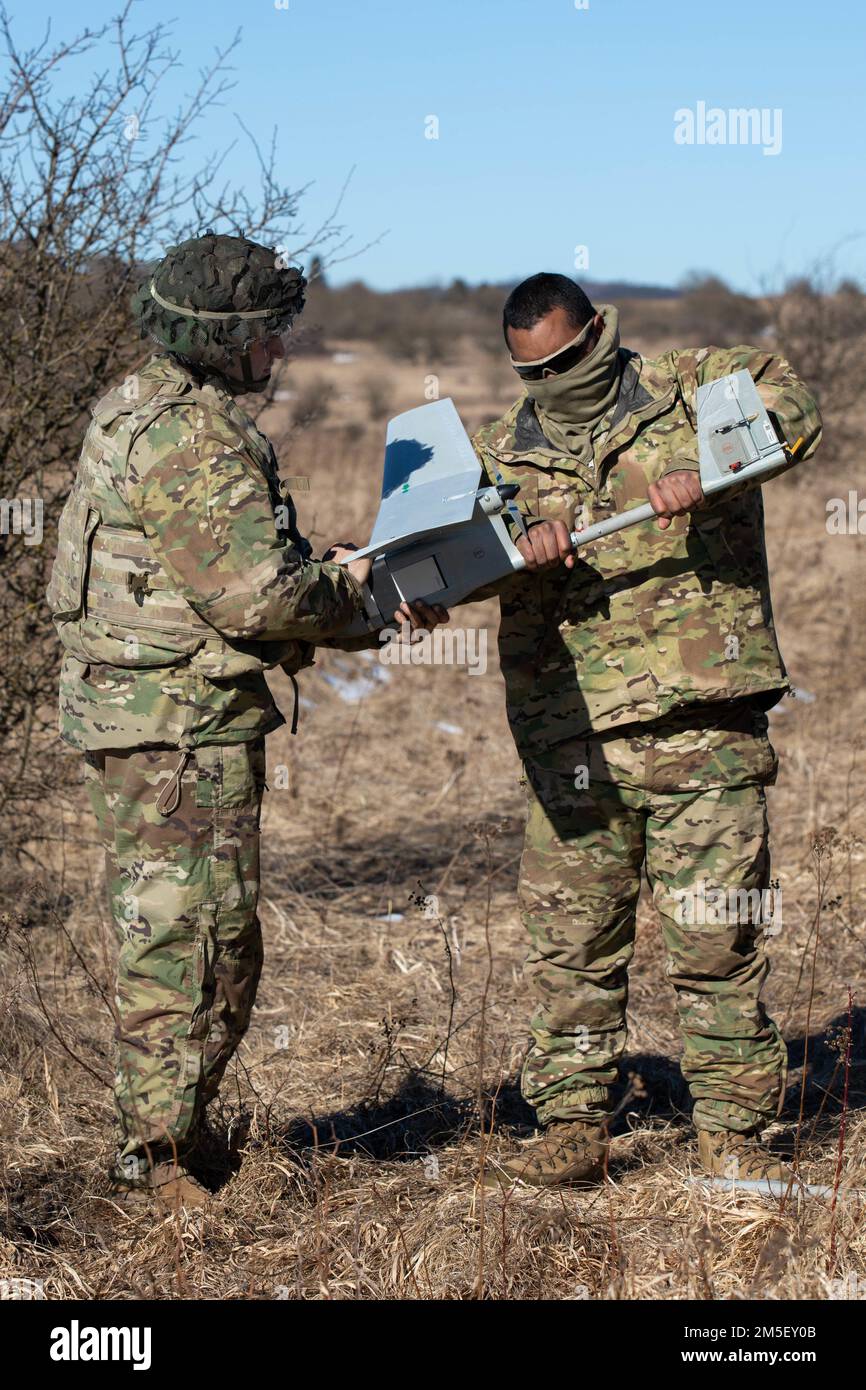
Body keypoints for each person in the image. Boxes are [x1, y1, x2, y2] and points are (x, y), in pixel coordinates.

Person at [47, 233, 446, 1207]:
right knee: (197, 945)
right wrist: (365, 607)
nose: (282, 350)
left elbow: (218, 571)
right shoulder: (195, 432)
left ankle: (167, 1137)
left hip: (150, 714)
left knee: (181, 934)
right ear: (221, 341)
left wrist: (338, 571)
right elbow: (256, 598)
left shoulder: (143, 405)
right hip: (178, 725)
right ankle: (158, 1160)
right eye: (270, 334)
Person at [470, 273, 821, 1189]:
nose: (550, 380)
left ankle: (736, 1137)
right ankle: (574, 1127)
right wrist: (517, 546)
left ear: (598, 332)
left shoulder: (701, 383)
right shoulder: (495, 453)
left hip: (702, 730)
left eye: (565, 360)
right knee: (573, 950)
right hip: (571, 739)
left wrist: (712, 468)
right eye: (530, 371)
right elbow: (444, 561)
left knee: (717, 942)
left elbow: (795, 409)